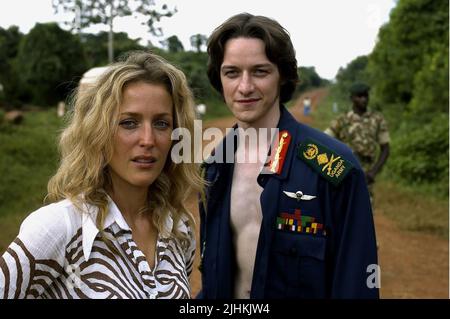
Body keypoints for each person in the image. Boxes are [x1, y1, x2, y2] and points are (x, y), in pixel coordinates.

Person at [198, 13, 379, 299]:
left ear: (282, 75)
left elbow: (356, 283)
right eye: (232, 72)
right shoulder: (213, 167)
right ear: (219, 79)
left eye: (260, 71)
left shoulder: (335, 168)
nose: (244, 87)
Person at [0, 51, 203, 299]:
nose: (148, 140)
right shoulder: (58, 227)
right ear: (99, 132)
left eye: (161, 123)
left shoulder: (179, 229)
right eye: (129, 123)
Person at [324, 82, 390, 196]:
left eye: (365, 95)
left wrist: (373, 172)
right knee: (343, 209)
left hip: (366, 174)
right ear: (352, 98)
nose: (363, 99)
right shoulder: (342, 120)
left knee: (365, 210)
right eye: (359, 96)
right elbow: (324, 141)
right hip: (344, 172)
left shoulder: (377, 119)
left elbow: (385, 148)